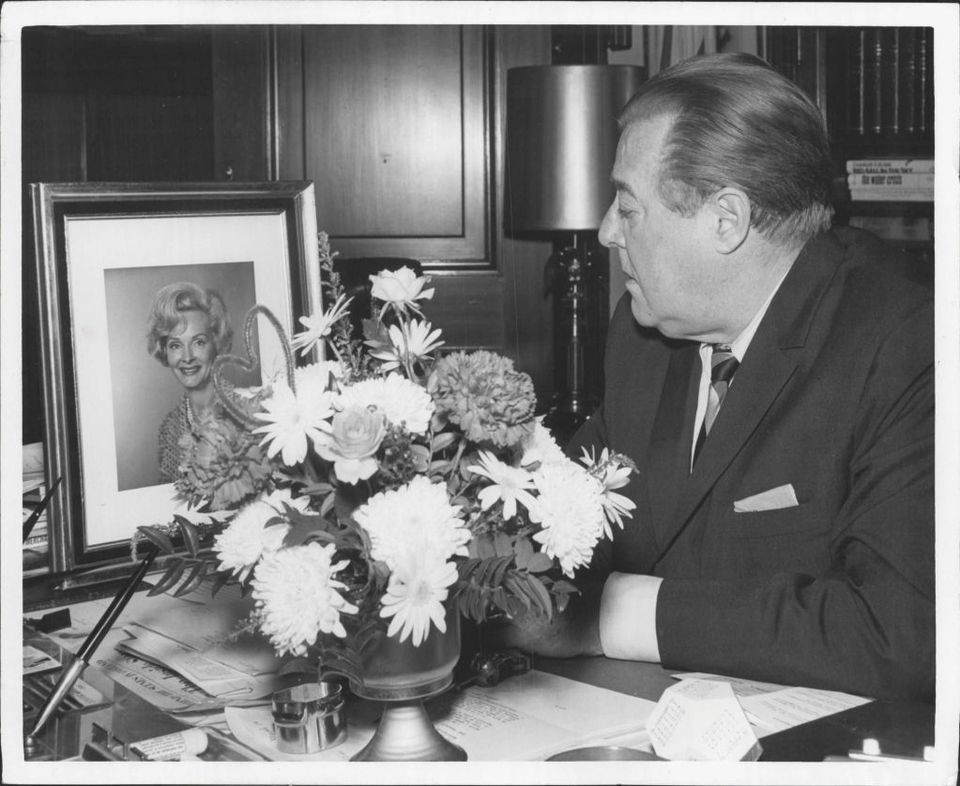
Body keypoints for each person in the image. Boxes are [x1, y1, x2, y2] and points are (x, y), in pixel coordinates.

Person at [500, 53, 934, 702]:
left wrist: (606, 617)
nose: (605, 230)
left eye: (627, 204)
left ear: (726, 221)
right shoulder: (644, 333)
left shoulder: (906, 343)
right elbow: (570, 505)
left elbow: (897, 631)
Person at [146, 282, 234, 482]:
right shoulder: (169, 430)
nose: (187, 357)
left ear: (216, 343)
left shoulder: (247, 409)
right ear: (164, 351)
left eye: (199, 342)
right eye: (176, 345)